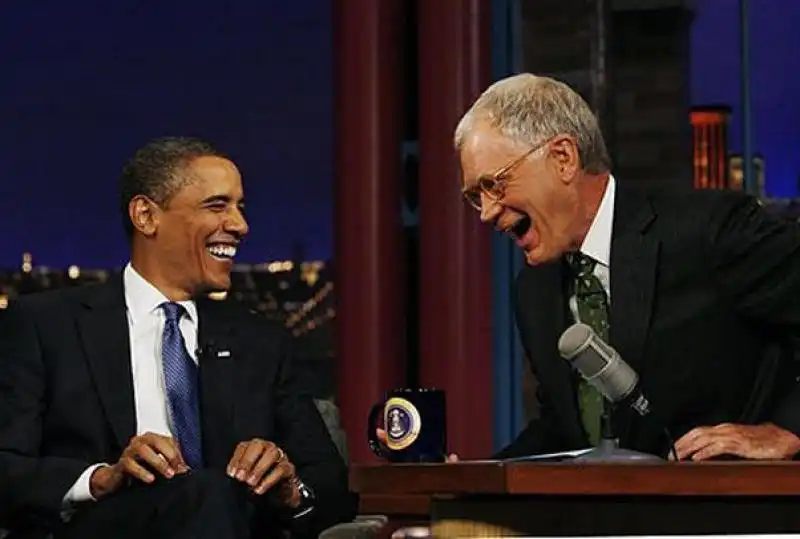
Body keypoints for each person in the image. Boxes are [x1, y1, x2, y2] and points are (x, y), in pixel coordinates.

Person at [381, 73, 800, 462]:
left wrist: (788, 432)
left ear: (563, 158)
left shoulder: (708, 232)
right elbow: (567, 433)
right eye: (476, 196)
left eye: (494, 184)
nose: (486, 213)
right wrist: (476, 477)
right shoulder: (535, 291)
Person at [0, 137, 355, 539]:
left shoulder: (261, 341)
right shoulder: (46, 325)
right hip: (102, 527)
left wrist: (291, 489)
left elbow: (331, 485)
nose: (240, 225)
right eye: (217, 206)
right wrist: (100, 478)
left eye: (240, 208)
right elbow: (6, 466)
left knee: (214, 493)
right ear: (146, 216)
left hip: (232, 523)